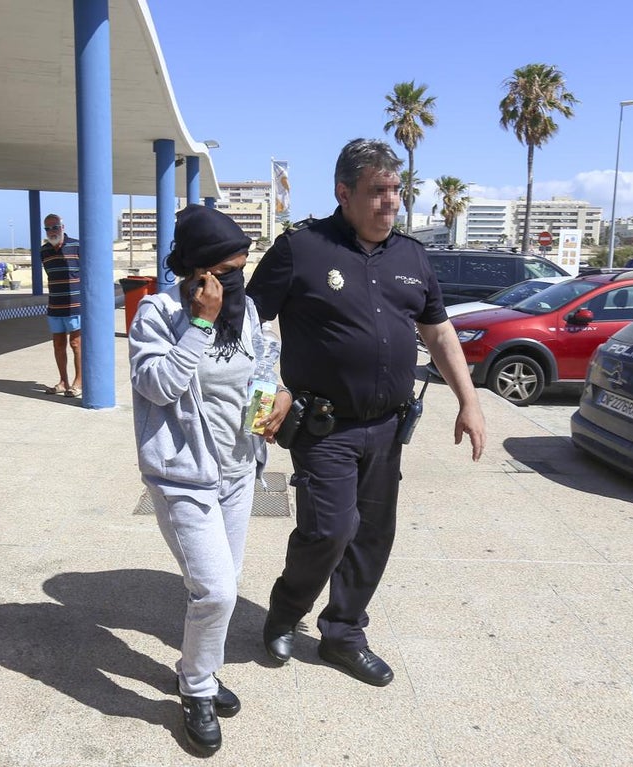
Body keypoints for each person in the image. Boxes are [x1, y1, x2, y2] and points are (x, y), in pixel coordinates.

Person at [245, 138, 486, 687]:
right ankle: (285, 611)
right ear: (344, 192)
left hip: (387, 429)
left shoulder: (412, 256)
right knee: (329, 530)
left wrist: (469, 401)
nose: (390, 202)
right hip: (323, 426)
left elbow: (439, 331)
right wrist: (258, 417)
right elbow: (244, 329)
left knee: (374, 534)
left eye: (396, 190)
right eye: (378, 191)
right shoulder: (300, 249)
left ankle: (344, 634)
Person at [128, 204, 276, 756]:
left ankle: (200, 671)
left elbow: (259, 368)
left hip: (239, 471)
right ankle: (195, 691)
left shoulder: (249, 307)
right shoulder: (158, 314)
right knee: (214, 589)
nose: (235, 282)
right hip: (183, 476)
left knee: (223, 590)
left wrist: (271, 411)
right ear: (196, 273)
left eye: (242, 268)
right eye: (226, 272)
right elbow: (158, 386)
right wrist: (200, 323)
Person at [40, 214, 82, 397]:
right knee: (58, 344)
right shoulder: (44, 251)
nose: (52, 231)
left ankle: (78, 382)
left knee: (75, 343)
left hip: (75, 305)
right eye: (48, 228)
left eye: (55, 227)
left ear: (63, 227)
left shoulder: (77, 246)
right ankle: (63, 382)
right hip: (54, 305)